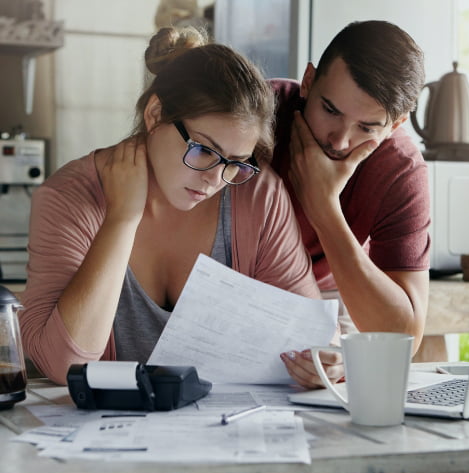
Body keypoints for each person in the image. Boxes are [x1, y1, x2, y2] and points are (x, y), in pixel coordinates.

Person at [19, 26, 334, 386]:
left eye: (235, 162)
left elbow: (310, 336)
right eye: (202, 150)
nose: (215, 179)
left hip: (227, 431)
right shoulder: (70, 198)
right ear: (155, 115)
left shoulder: (257, 194)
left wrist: (325, 361)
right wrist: (122, 219)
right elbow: (63, 365)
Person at [275, 20, 431, 388]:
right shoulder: (257, 113)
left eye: (367, 127)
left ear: (396, 124)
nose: (341, 141)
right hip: (231, 278)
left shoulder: (401, 169)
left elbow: (402, 339)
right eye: (330, 110)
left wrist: (324, 208)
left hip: (332, 292)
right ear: (309, 81)